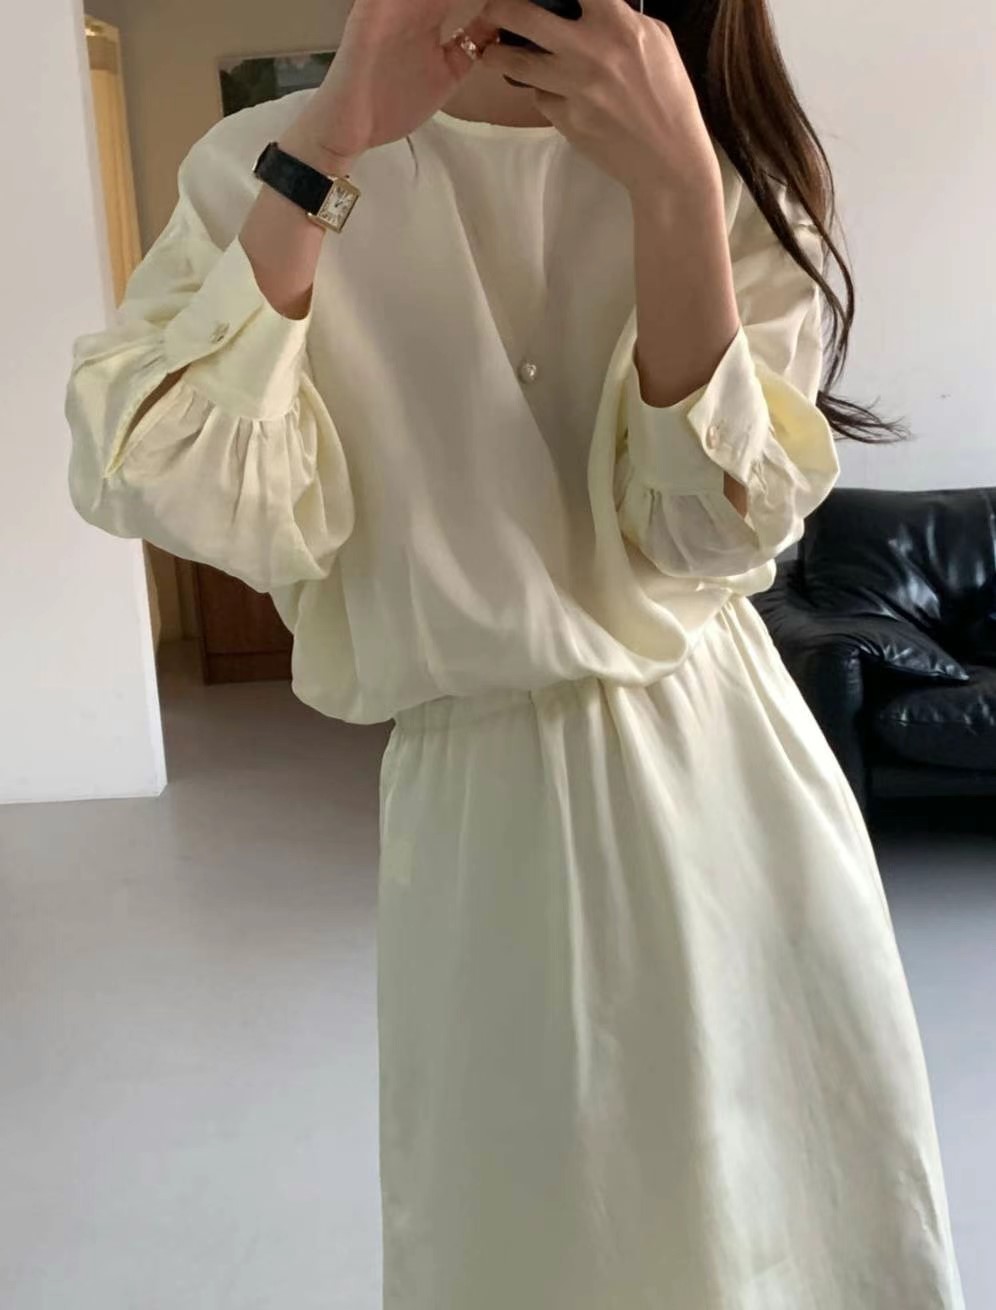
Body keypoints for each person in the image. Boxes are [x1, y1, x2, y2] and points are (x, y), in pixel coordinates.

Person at [64, 0, 966, 1305]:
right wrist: (332, 144)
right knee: (534, 1233)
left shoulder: (719, 169)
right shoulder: (262, 163)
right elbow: (169, 475)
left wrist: (672, 187)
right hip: (478, 809)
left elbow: (705, 529)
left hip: (728, 780)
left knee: (786, 1224)